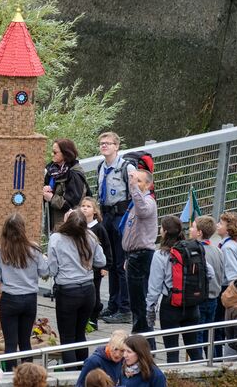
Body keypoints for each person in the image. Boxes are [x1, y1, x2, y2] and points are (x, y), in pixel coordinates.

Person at [146, 215, 212, 363]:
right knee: (194, 349)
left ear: (164, 232)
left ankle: (173, 381)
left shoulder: (160, 254)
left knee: (171, 351)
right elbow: (210, 273)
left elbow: (154, 286)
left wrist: (150, 309)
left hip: (170, 306)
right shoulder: (192, 248)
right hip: (192, 304)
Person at [0, 213, 49, 371]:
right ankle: (28, 374)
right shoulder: (34, 249)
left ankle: (10, 375)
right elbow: (44, 271)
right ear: (23, 229)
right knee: (25, 341)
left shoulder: (0, 251)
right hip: (29, 299)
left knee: (10, 343)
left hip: (9, 299)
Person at [48, 209, 106, 365]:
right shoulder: (91, 236)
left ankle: (71, 374)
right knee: (80, 334)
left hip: (67, 291)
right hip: (88, 290)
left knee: (67, 337)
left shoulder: (56, 238)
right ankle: (83, 371)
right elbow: (101, 261)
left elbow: (52, 269)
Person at [96, 132, 134, 324]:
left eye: (108, 144)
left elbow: (136, 195)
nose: (104, 146)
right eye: (102, 144)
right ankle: (112, 304)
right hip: (106, 215)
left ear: (116, 146)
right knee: (110, 263)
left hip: (121, 216)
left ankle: (125, 308)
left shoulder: (126, 168)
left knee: (121, 264)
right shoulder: (101, 167)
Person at [121, 169, 158, 336]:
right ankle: (141, 338)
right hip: (133, 256)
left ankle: (142, 338)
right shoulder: (136, 202)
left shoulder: (148, 202)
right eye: (135, 181)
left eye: (140, 181)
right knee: (135, 301)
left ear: (148, 185)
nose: (135, 184)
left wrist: (134, 187)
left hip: (142, 256)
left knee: (140, 301)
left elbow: (143, 210)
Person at [214, 210, 237, 357]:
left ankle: (218, 357)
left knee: (218, 325)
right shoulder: (230, 244)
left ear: (229, 228)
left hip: (226, 288)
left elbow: (233, 274)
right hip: (226, 287)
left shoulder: (227, 248)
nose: (217, 225)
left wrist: (230, 295)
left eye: (221, 223)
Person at [77, 197, 112, 330]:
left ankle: (93, 319)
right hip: (81, 267)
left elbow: (107, 248)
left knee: (94, 294)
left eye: (88, 206)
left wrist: (106, 266)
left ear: (95, 211)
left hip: (96, 268)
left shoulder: (99, 228)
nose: (85, 208)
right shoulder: (78, 226)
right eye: (83, 206)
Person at [43, 138, 89, 234]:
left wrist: (51, 198)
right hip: (55, 222)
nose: (52, 155)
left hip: (70, 225)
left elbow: (72, 203)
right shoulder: (52, 169)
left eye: (55, 152)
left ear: (65, 153)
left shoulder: (74, 174)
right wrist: (44, 189)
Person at [190, 215, 224, 346]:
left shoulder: (197, 251)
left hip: (201, 298)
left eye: (193, 227)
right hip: (214, 297)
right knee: (209, 336)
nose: (190, 229)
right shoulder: (218, 250)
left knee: (197, 335)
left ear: (199, 232)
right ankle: (213, 360)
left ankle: (198, 363)